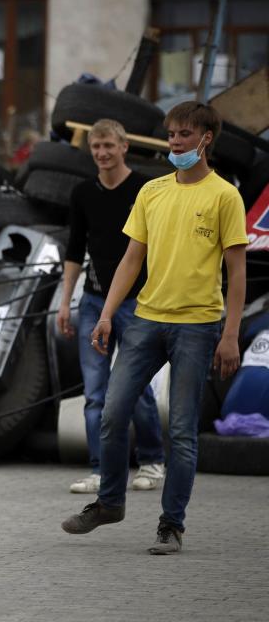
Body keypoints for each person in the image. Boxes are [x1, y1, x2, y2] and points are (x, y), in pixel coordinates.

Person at [61, 102, 248, 554]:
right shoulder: (153, 192)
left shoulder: (225, 196)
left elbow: (236, 272)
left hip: (199, 326)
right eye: (171, 135)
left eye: (184, 135)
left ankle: (171, 525)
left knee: (181, 430)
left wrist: (230, 335)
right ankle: (109, 504)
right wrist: (106, 313)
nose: (175, 143)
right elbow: (131, 259)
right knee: (111, 412)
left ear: (206, 139)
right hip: (145, 319)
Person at [57, 119, 166, 494]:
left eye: (108, 146)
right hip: (92, 299)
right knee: (95, 391)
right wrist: (64, 300)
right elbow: (74, 250)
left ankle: (152, 461)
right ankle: (100, 469)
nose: (102, 153)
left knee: (135, 387)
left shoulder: (144, 190)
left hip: (137, 301)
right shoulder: (83, 193)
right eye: (96, 147)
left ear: (123, 147)